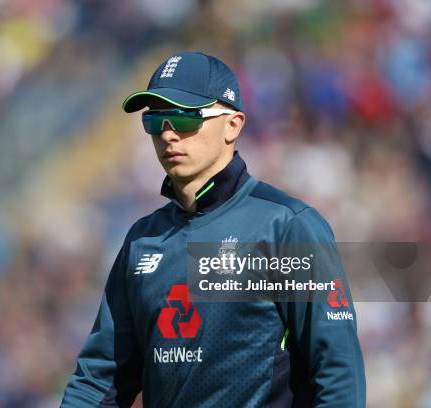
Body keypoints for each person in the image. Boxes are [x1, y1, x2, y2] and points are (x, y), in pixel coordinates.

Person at [61, 51, 365, 407]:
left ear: (233, 124)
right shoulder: (142, 240)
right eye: (156, 121)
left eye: (185, 118)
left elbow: (337, 372)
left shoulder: (287, 226)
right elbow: (99, 380)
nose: (168, 134)